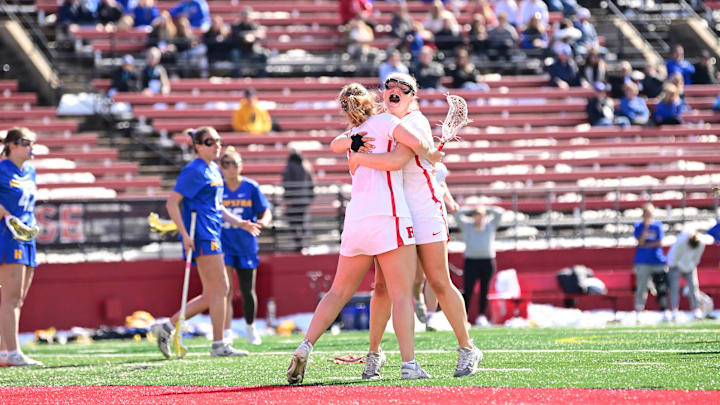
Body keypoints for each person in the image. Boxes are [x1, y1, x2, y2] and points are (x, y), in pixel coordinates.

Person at [287, 82, 442, 384]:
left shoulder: (352, 137)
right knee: (400, 295)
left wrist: (355, 150)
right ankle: (408, 363)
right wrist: (433, 153)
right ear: (371, 100)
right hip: (389, 215)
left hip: (356, 221)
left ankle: (306, 345)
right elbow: (417, 143)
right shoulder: (386, 121)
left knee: (337, 292)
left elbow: (335, 144)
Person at [343, 73, 483, 379]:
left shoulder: (414, 123)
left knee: (438, 280)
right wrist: (351, 147)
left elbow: (396, 161)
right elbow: (345, 140)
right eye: (388, 87)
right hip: (394, 213)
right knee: (382, 287)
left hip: (423, 211)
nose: (394, 91)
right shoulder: (384, 121)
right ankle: (374, 354)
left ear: (412, 95)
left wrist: (358, 159)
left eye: (402, 88)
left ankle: (467, 347)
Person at [151, 127, 261, 358]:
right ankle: (218, 344)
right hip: (202, 235)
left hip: (214, 232)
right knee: (221, 289)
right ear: (198, 145)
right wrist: (185, 235)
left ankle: (168, 327)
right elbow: (172, 202)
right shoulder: (194, 170)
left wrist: (240, 222)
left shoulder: (213, 169)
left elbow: (217, 207)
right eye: (210, 142)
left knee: (212, 294)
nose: (216, 146)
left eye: (218, 141)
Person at [219, 146, 272, 345]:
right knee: (225, 290)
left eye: (234, 164)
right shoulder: (218, 187)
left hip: (246, 244)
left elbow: (265, 211)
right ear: (221, 167)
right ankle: (226, 332)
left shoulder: (251, 187)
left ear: (241, 166)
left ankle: (250, 328)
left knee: (247, 289)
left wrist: (263, 223)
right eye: (226, 164)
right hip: (224, 243)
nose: (230, 168)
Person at [0, 128, 42, 367]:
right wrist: (5, 214)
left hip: (27, 235)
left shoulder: (30, 171)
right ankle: (13, 352)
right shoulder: (2, 169)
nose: (31, 147)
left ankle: (5, 351)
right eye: (26, 142)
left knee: (19, 298)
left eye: (32, 142)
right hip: (8, 235)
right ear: (12, 146)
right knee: (11, 297)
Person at [454, 205, 505, 327]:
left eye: (480, 216)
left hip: (487, 262)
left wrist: (485, 208)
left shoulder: (489, 226)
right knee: (468, 290)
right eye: (476, 215)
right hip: (471, 262)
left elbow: (500, 213)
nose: (478, 218)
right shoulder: (467, 226)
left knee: (484, 290)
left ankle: (481, 316)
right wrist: (470, 209)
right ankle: (463, 317)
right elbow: (456, 215)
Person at [667, 230, 713, 321]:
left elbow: (696, 258)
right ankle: (674, 310)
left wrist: (690, 266)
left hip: (690, 267)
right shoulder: (681, 242)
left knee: (694, 287)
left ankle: (696, 309)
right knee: (674, 288)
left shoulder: (701, 244)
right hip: (675, 265)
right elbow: (674, 256)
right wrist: (676, 266)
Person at [632, 203, 668, 321]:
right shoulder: (639, 226)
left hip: (657, 260)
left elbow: (659, 242)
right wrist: (646, 228)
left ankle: (664, 310)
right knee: (641, 286)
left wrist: (647, 244)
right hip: (642, 261)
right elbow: (641, 242)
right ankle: (639, 310)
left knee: (661, 285)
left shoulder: (657, 226)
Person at [282, 149, 314, 252]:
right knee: (304, 223)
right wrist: (310, 198)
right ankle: (306, 245)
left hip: (293, 201)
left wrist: (288, 200)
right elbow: (312, 184)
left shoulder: (289, 166)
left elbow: (286, 184)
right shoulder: (307, 166)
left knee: (294, 223)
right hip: (304, 200)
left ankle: (299, 246)